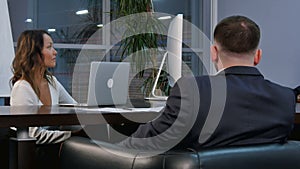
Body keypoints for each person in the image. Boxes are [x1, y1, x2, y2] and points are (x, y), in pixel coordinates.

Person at [118, 15, 296, 151]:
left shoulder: (192, 90)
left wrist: (106, 152)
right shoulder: (285, 98)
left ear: (214, 53)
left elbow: (145, 142)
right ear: (258, 56)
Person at [10, 29, 79, 144]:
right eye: (49, 47)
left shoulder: (52, 82)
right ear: (34, 53)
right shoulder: (22, 88)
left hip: (56, 145)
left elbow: (75, 109)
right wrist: (71, 135)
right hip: (35, 151)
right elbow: (33, 134)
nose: (55, 52)